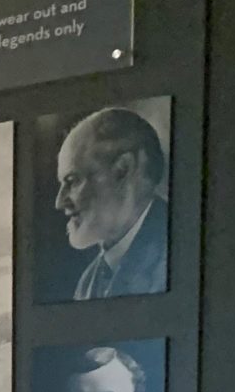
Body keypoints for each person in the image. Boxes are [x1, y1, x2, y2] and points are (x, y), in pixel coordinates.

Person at [54, 106, 170, 300]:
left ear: (122, 170)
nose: (59, 202)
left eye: (72, 181)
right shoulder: (89, 281)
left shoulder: (175, 258)